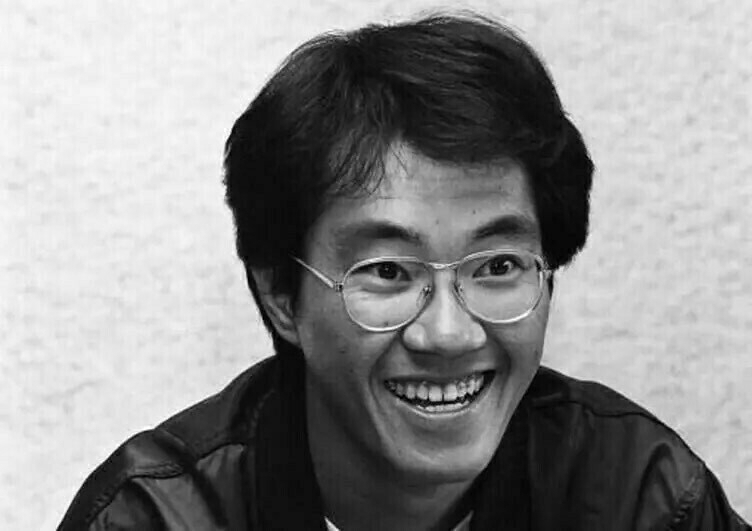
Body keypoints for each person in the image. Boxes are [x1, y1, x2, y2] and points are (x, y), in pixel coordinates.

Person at [59, 12, 749, 530]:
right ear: (279, 296)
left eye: (499, 265)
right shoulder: (159, 516)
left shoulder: (636, 496)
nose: (448, 333)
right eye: (388, 271)